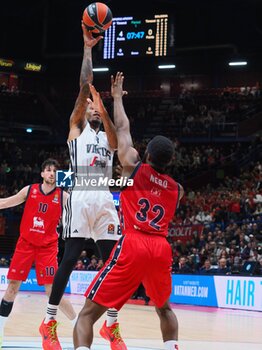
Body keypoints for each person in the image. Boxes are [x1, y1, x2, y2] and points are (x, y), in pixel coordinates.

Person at [73, 72, 184, 350]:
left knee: (86, 315)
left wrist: (118, 98)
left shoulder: (134, 168)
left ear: (145, 156)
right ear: (170, 161)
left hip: (134, 243)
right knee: (164, 308)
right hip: (160, 248)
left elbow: (122, 129)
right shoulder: (177, 189)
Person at [39, 26, 126, 350]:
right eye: (88, 104)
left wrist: (105, 109)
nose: (90, 105)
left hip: (103, 198)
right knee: (70, 258)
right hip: (80, 197)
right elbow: (83, 86)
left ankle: (111, 327)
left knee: (113, 264)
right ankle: (48, 321)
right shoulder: (77, 130)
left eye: (93, 104)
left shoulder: (106, 135)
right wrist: (88, 50)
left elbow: (117, 142)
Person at [0, 159, 76, 349]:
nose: (51, 173)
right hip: (25, 245)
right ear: (42, 173)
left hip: (48, 247)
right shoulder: (29, 190)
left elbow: (80, 209)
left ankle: (78, 325)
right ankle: (0, 331)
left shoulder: (64, 196)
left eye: (54, 171)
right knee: (12, 288)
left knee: (53, 290)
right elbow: (6, 202)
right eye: (48, 170)